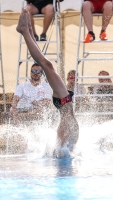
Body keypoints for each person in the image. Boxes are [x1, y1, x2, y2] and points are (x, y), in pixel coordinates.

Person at [16, 9, 79, 156]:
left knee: (46, 64)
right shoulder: (66, 140)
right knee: (45, 64)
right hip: (65, 102)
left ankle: (26, 31)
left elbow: (60, 150)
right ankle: (28, 31)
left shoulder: (63, 137)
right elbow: (61, 151)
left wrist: (60, 153)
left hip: (64, 102)